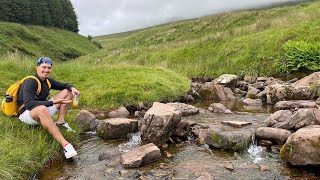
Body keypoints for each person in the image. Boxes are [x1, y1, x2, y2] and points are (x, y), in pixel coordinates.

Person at [17, 57, 79, 159]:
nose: (46, 70)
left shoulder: (47, 81)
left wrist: (73, 88)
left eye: (49, 68)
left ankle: (60, 122)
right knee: (42, 108)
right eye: (44, 67)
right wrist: (52, 102)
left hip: (43, 110)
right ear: (37, 67)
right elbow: (29, 104)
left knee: (67, 91)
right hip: (27, 114)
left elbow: (64, 85)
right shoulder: (30, 82)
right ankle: (66, 145)